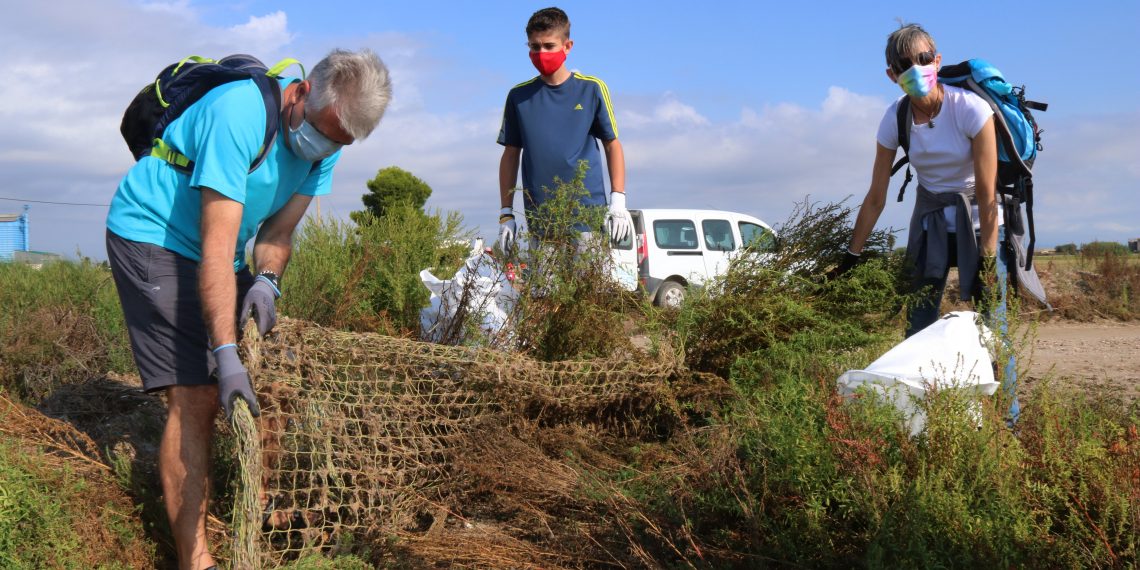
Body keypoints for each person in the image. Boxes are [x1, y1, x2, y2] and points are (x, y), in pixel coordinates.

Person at [105, 48, 391, 570]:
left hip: (219, 248)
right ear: (301, 92)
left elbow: (277, 234)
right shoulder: (239, 112)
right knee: (196, 394)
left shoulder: (328, 141)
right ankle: (196, 560)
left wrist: (266, 281)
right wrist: (224, 351)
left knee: (259, 379)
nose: (322, 148)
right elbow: (214, 250)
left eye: (338, 143)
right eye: (322, 132)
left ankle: (249, 503)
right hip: (154, 235)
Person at [837, 24, 1020, 421]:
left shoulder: (971, 109)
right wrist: (852, 255)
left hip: (981, 225)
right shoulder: (894, 119)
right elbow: (875, 197)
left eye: (922, 59)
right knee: (918, 325)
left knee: (994, 332)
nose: (915, 69)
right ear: (892, 75)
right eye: (904, 64)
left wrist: (989, 261)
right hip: (931, 225)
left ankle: (1008, 425)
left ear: (936, 61)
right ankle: (918, 418)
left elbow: (988, 197)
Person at [496, 6, 632, 250]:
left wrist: (618, 200)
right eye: (534, 47)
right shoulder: (519, 96)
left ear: (567, 46)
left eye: (549, 46)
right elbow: (510, 154)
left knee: (590, 289)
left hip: (587, 219)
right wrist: (506, 213)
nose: (541, 52)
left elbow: (612, 144)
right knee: (543, 289)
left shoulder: (592, 89)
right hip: (541, 221)